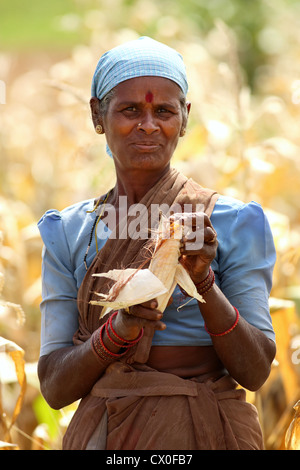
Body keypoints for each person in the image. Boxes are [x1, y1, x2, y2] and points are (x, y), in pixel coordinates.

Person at [37, 37, 276, 450]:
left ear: (184, 118)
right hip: (107, 434)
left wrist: (203, 282)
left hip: (211, 429)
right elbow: (56, 388)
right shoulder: (69, 231)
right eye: (131, 109)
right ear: (98, 115)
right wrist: (120, 329)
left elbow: (254, 371)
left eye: (164, 111)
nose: (148, 125)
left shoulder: (234, 223)